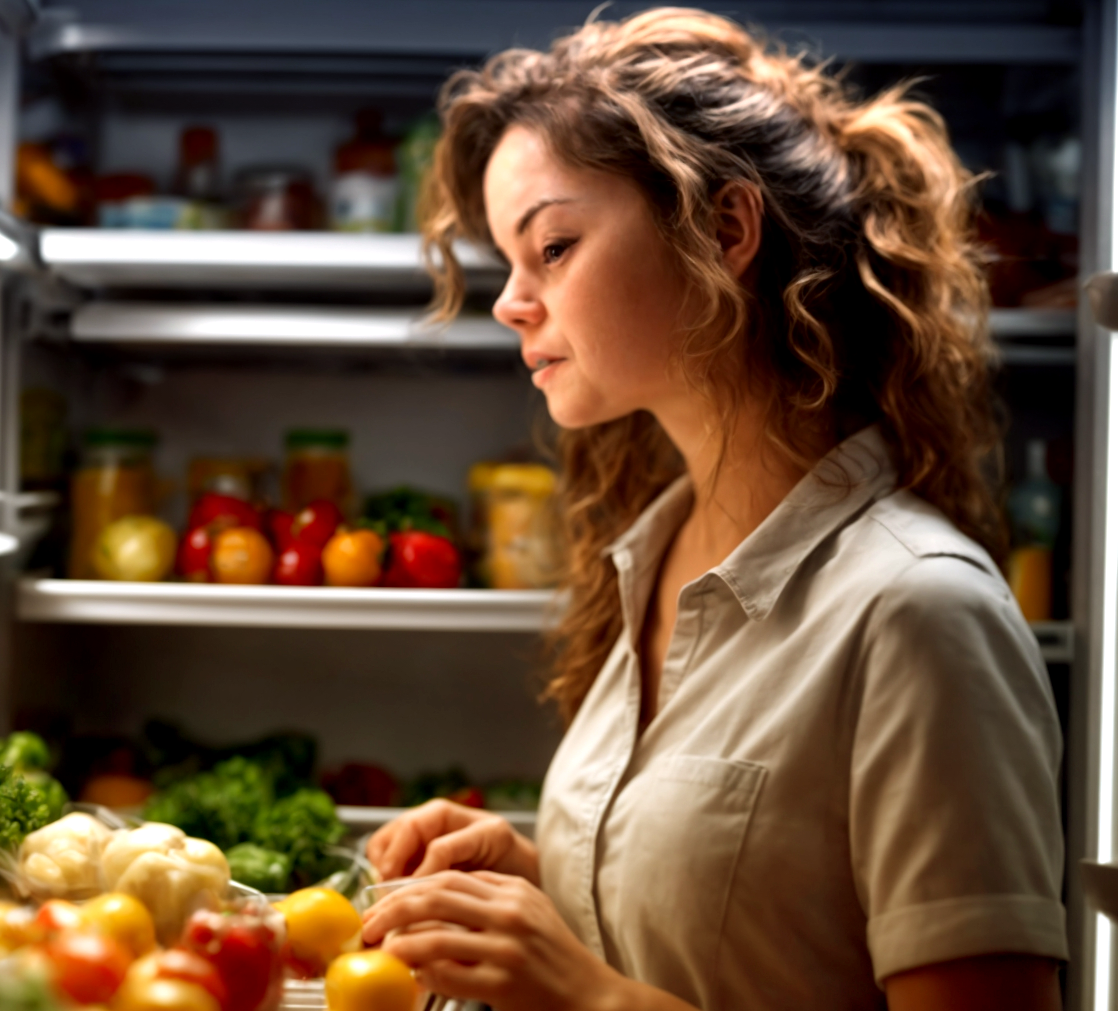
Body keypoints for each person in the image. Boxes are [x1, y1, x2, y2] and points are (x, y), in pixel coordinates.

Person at [362, 8, 1066, 1010]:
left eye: (552, 246)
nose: (510, 302)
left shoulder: (916, 613)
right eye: (507, 266)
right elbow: (747, 941)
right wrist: (540, 889)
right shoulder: (654, 559)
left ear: (726, 230)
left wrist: (586, 996)